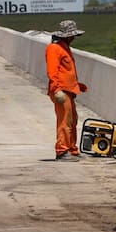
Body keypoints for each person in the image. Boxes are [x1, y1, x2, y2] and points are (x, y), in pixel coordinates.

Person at [46, 19, 88, 160]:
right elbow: (53, 71)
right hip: (61, 91)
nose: (73, 38)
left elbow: (66, 71)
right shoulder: (54, 48)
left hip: (69, 90)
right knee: (64, 120)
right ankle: (62, 151)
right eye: (71, 35)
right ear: (65, 36)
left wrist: (77, 85)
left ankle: (71, 149)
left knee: (72, 120)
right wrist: (56, 89)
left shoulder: (64, 47)